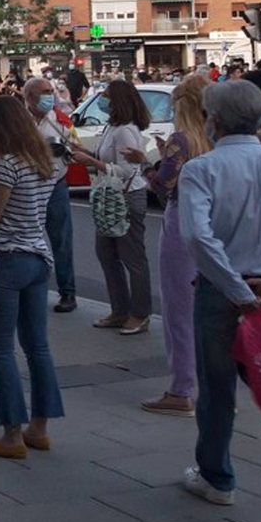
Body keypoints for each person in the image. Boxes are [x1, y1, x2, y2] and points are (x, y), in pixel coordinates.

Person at [175, 79, 261, 522]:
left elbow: (198, 239)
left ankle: (217, 476)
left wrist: (238, 290)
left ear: (212, 120)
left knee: (217, 391)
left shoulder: (201, 170)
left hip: (224, 292)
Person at [0, 97, 63, 460]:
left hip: (7, 260)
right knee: (38, 346)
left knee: (0, 349)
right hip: (39, 258)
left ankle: (12, 433)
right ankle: (40, 427)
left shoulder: (8, 165)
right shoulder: (46, 162)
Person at [131, 72, 211, 416]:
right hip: (214, 222)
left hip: (182, 223)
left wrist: (152, 163)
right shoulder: (215, 138)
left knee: (179, 309)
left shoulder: (182, 139)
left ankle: (181, 389)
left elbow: (164, 186)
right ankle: (211, 387)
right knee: (210, 312)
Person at [21, 77, 92, 314]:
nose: (50, 95)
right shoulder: (18, 122)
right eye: (44, 92)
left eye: (51, 91)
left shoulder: (59, 119)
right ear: (30, 97)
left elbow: (75, 144)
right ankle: (28, 290)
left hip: (56, 187)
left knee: (62, 242)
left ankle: (67, 293)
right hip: (27, 187)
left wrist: (70, 149)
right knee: (27, 241)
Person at [91, 79, 154, 335]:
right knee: (106, 253)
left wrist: (91, 163)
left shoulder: (125, 130)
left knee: (132, 257)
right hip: (110, 197)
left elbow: (127, 171)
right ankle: (119, 309)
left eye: (106, 95)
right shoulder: (112, 127)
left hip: (126, 197)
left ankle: (140, 313)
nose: (102, 100)